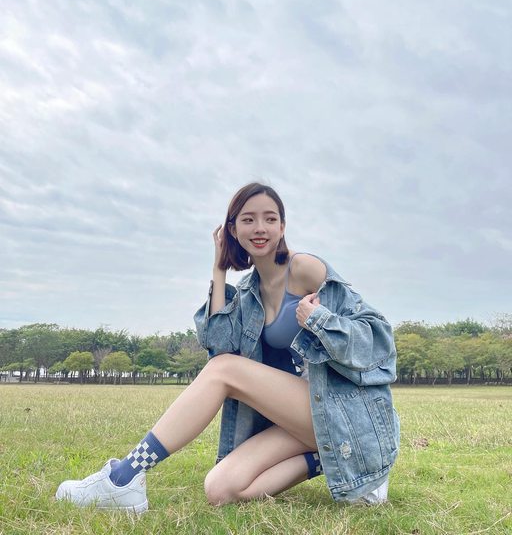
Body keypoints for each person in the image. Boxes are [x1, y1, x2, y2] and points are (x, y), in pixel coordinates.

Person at [55, 182, 399, 513]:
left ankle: (123, 477)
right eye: (248, 219)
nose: (260, 227)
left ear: (282, 226)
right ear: (232, 230)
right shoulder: (249, 291)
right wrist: (219, 268)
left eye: (270, 218)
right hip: (307, 420)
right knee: (220, 489)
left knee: (225, 370)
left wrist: (319, 318)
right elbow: (220, 347)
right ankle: (336, 459)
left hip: (342, 411)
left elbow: (378, 338)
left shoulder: (304, 268)